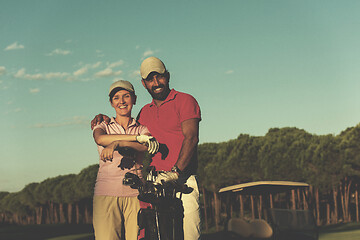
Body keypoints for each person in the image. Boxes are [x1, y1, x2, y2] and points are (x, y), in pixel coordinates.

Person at [92, 57, 201, 240]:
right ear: (144, 84)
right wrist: (105, 117)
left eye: (159, 77)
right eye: (150, 79)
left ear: (167, 76)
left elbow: (191, 138)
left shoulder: (185, 100)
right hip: (154, 185)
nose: (156, 83)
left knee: (190, 236)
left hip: (182, 181)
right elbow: (129, 131)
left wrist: (175, 172)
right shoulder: (144, 112)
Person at [92, 80, 159, 240]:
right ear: (111, 102)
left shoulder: (142, 128)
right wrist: (136, 138)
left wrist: (117, 143)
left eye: (126, 96)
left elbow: (146, 146)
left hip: (136, 195)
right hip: (105, 194)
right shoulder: (103, 125)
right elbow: (100, 139)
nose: (121, 101)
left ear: (134, 99)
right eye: (116, 98)